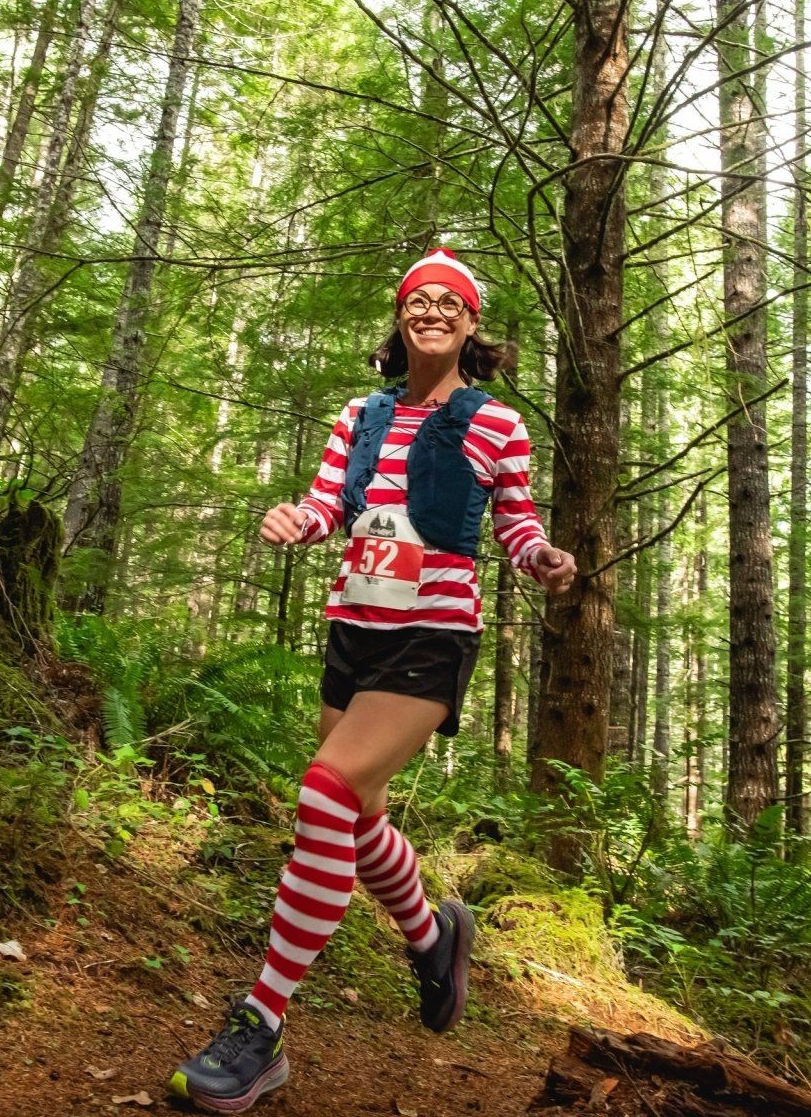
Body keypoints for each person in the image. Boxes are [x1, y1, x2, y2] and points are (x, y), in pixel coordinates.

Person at [167, 248, 577, 1113]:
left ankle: (262, 1024)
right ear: (401, 318)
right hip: (354, 629)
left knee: (324, 790)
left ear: (470, 325)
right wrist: (297, 518)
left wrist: (538, 556)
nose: (430, 312)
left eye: (448, 303)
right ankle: (432, 939)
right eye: (416, 301)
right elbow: (329, 505)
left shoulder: (496, 423)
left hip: (431, 637)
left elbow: (517, 522)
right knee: (355, 819)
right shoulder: (360, 414)